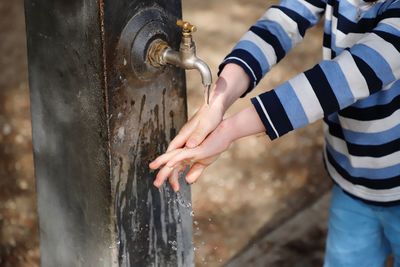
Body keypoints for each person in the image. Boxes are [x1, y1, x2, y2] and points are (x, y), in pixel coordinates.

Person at [150, 0, 400, 266]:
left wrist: (230, 130)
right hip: (350, 179)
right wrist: (219, 99)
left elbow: (341, 80)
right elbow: (280, 24)